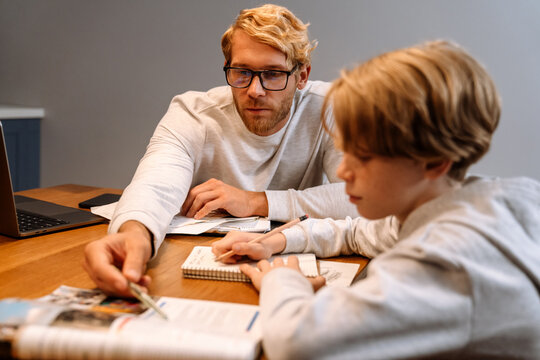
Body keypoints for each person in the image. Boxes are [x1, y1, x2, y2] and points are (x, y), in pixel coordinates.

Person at [212, 41, 540, 359]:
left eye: (364, 157)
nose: (343, 170)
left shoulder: (450, 262)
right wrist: (278, 241)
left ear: (434, 161)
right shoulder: (486, 201)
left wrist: (281, 279)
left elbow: (296, 345)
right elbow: (359, 232)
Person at [83, 4, 369, 296]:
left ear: (302, 76)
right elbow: (155, 184)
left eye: (272, 74)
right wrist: (135, 235)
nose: (255, 90)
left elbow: (361, 198)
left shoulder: (330, 106)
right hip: (196, 267)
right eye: (242, 72)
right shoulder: (193, 113)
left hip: (289, 261)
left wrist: (255, 201)